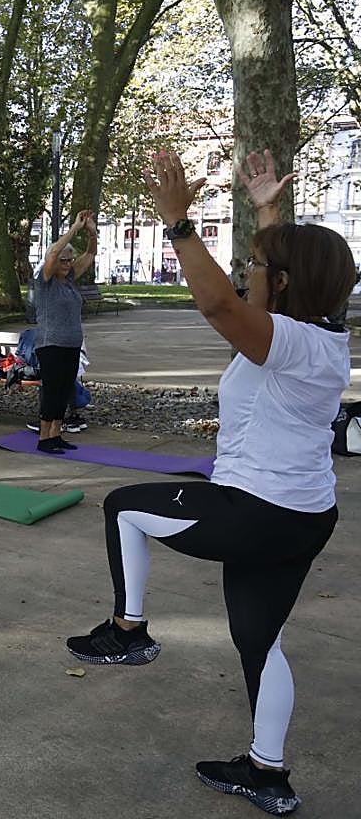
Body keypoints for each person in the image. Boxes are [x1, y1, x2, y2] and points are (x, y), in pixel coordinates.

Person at [65, 149, 355, 816]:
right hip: (303, 517)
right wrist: (268, 215)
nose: (245, 272)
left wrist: (178, 222)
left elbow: (218, 303)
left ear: (282, 283)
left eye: (255, 265)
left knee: (123, 508)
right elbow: (263, 287)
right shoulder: (316, 336)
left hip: (257, 510)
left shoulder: (289, 340)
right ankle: (266, 772)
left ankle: (129, 631)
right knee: (259, 641)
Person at [34, 210, 97, 454]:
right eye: (63, 260)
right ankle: (44, 438)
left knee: (64, 391)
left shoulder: (69, 280)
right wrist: (74, 228)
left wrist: (91, 234)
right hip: (51, 344)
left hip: (71, 345)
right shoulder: (44, 280)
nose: (68, 264)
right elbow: (52, 254)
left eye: (70, 260)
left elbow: (90, 254)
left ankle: (56, 434)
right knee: (51, 391)